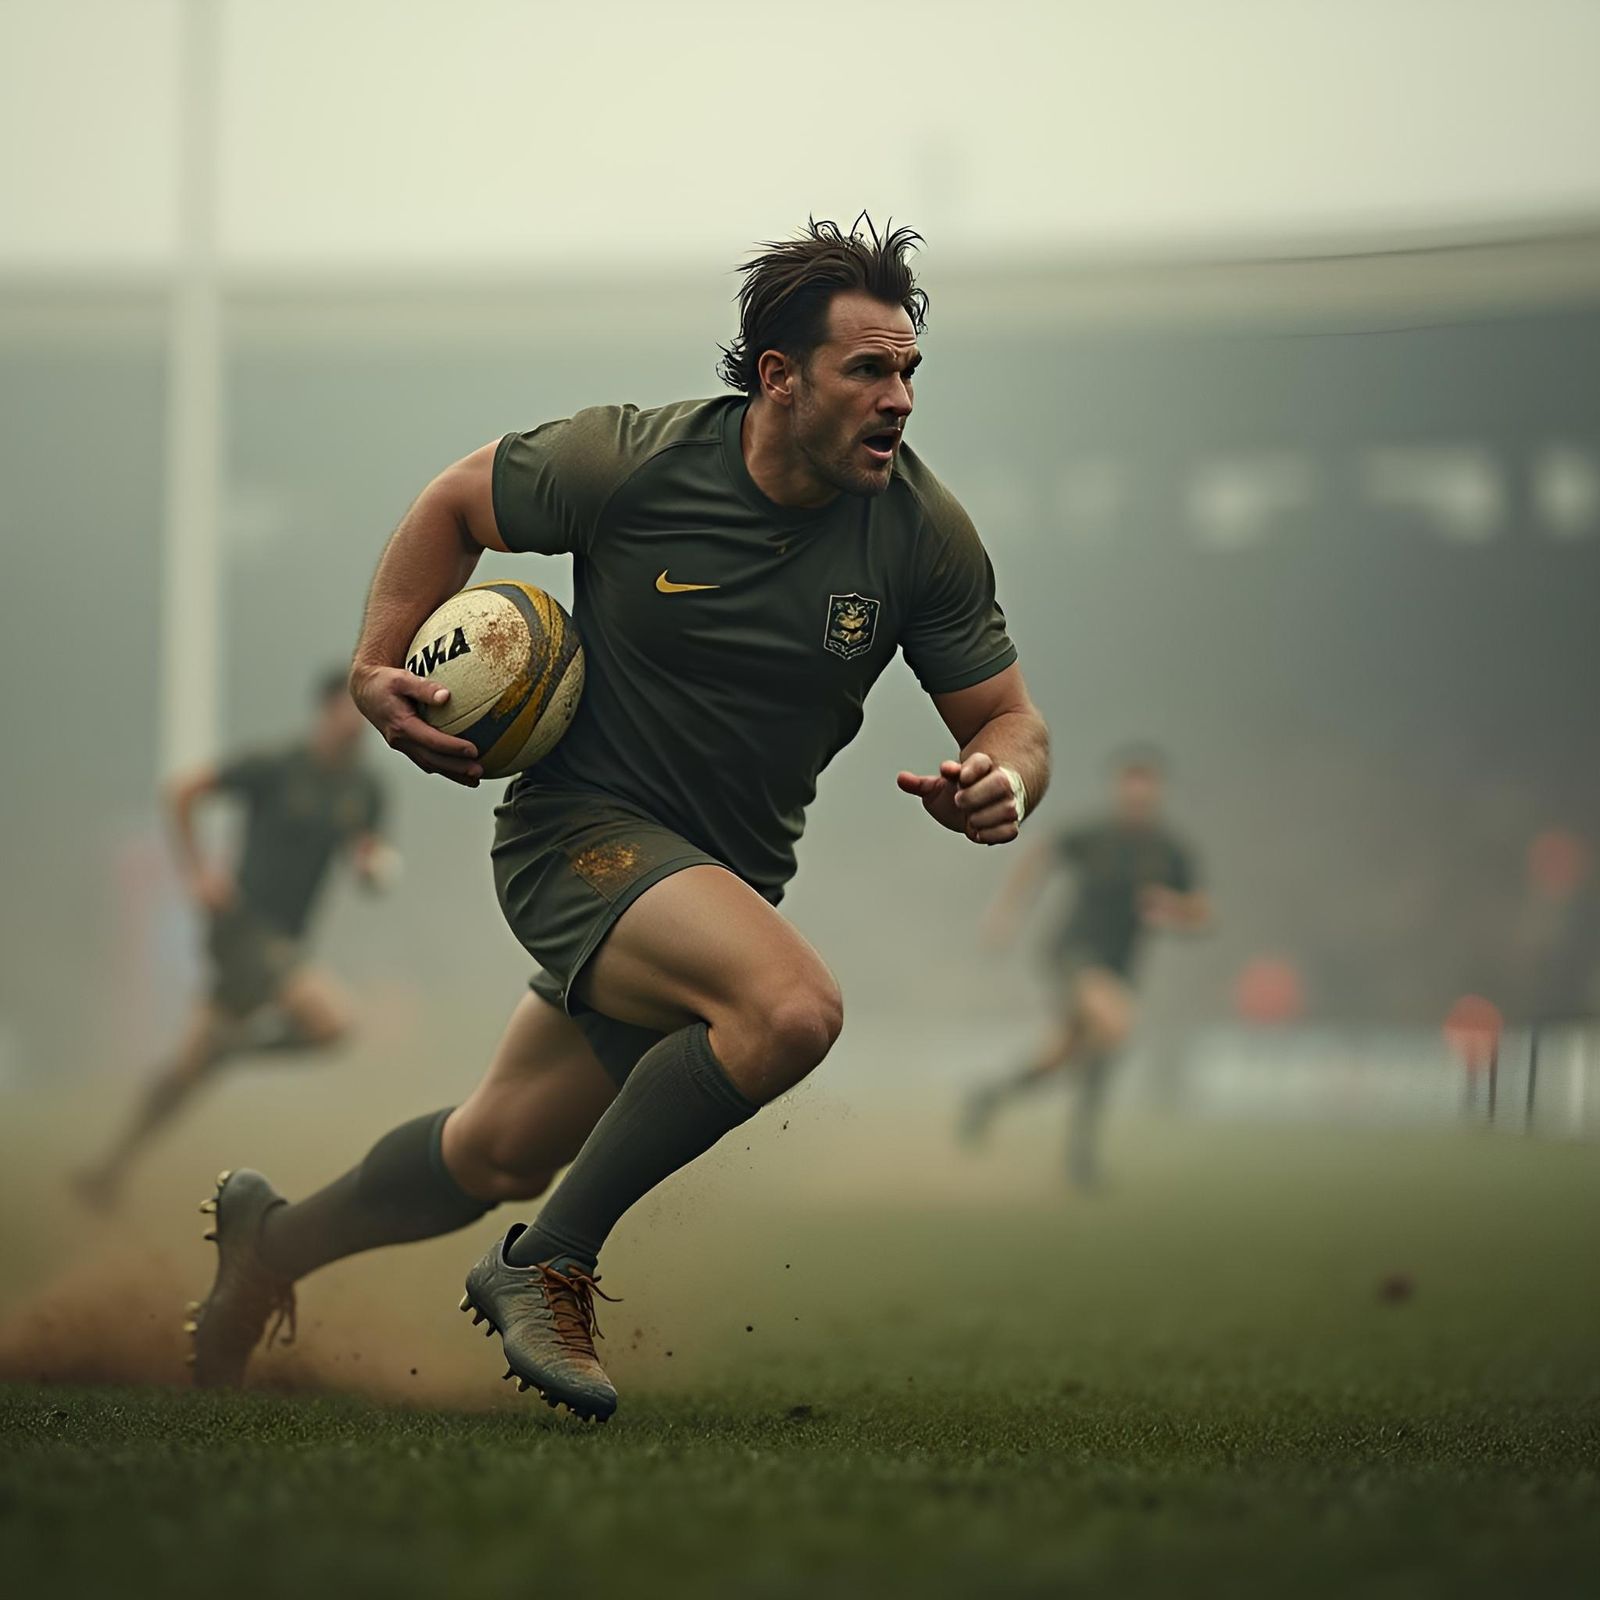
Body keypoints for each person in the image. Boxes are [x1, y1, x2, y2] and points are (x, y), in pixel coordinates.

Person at [187, 218, 1050, 1420]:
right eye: (868, 369)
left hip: (714, 883)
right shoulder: (631, 462)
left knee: (494, 1151)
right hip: (575, 838)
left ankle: (270, 1246)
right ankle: (549, 1261)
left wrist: (1002, 780)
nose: (898, 397)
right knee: (790, 1009)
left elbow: (1009, 718)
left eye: (908, 370)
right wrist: (374, 666)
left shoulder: (918, 532)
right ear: (779, 376)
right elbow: (453, 503)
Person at [75, 670, 390, 1210]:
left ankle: (107, 1171)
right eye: (350, 707)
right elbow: (183, 792)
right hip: (243, 928)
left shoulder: (367, 787)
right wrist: (197, 873)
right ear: (325, 710)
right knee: (335, 1023)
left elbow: (367, 852)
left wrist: (370, 867)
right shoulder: (275, 766)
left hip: (288, 938)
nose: (358, 721)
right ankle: (235, 1050)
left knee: (188, 1068)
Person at [961, 747, 1207, 1189]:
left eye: (1146, 786)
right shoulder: (1095, 837)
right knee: (1114, 1025)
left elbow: (1203, 914)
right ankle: (1081, 1159)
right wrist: (1007, 911)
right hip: (1072, 952)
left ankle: (989, 1098)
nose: (1137, 795)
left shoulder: (1170, 851)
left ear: (1157, 792)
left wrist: (1173, 908)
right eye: (1130, 785)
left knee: (1064, 1057)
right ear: (1118, 789)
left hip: (1118, 967)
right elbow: (1040, 855)